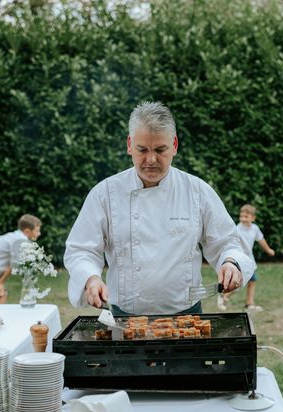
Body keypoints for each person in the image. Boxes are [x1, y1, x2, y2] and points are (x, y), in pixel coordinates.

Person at [64, 101, 253, 315]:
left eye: (160, 150)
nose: (151, 159)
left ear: (174, 145)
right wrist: (91, 278)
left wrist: (231, 263)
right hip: (124, 318)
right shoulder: (105, 193)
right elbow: (81, 249)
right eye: (142, 149)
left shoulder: (196, 191)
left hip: (186, 316)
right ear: (129, 145)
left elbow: (227, 242)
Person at [218, 204, 275, 312]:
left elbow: (261, 240)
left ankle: (248, 303)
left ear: (253, 218)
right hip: (240, 261)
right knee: (240, 283)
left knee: (251, 281)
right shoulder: (237, 230)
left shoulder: (255, 228)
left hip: (250, 260)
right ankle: (224, 296)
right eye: (241, 216)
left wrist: (268, 250)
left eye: (246, 216)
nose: (243, 219)